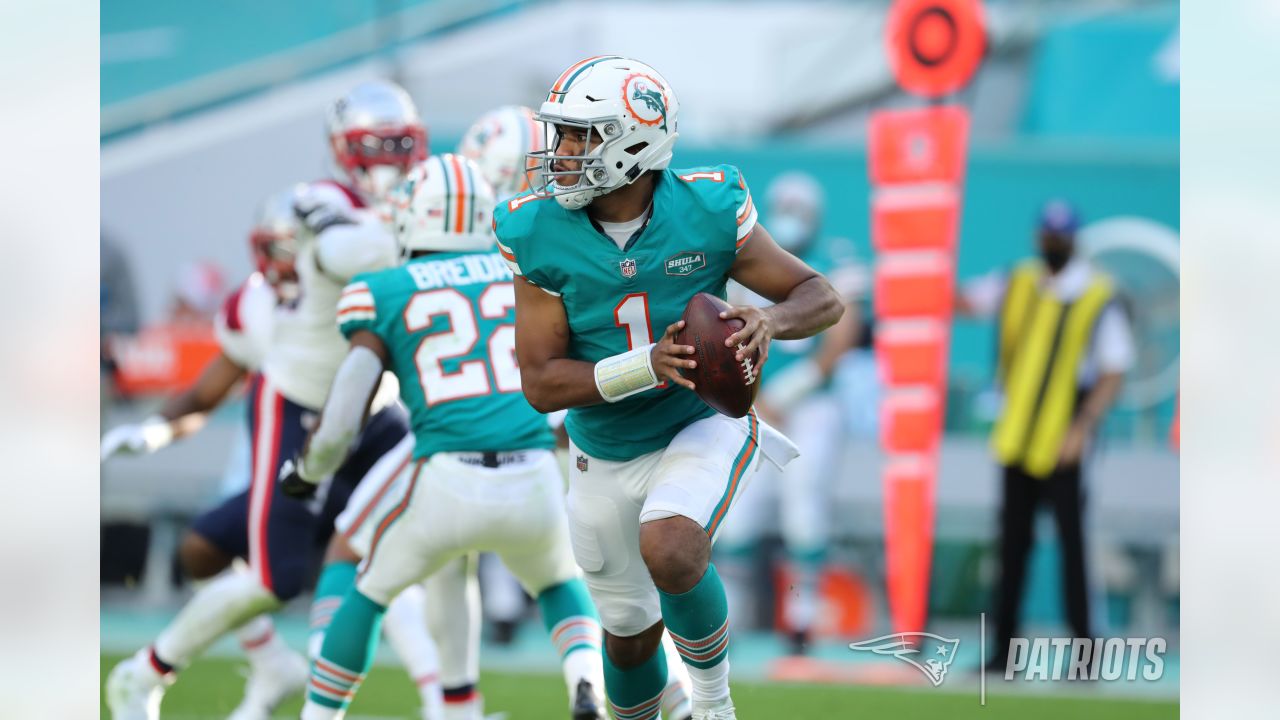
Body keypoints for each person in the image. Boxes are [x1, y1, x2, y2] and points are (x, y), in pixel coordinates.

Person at [496, 57, 844, 720]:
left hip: (699, 421)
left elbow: (819, 295)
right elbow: (541, 383)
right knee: (627, 639)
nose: (561, 153)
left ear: (632, 142)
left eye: (579, 136)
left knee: (672, 545)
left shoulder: (708, 209)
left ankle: (714, 707)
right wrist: (646, 366)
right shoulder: (535, 230)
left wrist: (769, 317)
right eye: (561, 135)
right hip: (602, 448)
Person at [105, 80, 426, 720]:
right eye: (277, 253)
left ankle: (449, 701)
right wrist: (154, 432)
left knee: (418, 546)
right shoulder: (312, 222)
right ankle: (150, 673)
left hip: (376, 410)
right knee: (259, 571)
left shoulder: (401, 208)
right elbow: (209, 387)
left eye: (397, 145)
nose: (284, 267)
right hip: (303, 416)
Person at [284, 154, 607, 720]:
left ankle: (320, 713)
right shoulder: (528, 274)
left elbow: (342, 417)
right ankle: (584, 680)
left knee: (368, 586)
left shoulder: (383, 290)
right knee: (557, 580)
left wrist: (309, 469)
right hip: (532, 470)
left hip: (446, 476)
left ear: (412, 215)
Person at [956, 199, 1135, 671]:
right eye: (1047, 236)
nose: (1052, 245)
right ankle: (1003, 654)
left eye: (1060, 237)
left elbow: (1114, 369)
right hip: (1017, 435)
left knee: (1074, 548)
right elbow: (965, 300)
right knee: (1012, 548)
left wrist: (1082, 428)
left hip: (1064, 438)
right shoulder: (1019, 280)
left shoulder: (1097, 294)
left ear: (1074, 240)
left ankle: (1085, 656)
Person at [714, 172, 864, 655]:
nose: (791, 218)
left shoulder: (835, 264)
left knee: (805, 511)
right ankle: (728, 622)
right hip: (758, 403)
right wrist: (754, 392)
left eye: (800, 210)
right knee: (739, 515)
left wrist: (794, 387)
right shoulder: (748, 265)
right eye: (786, 207)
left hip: (812, 404)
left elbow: (844, 334)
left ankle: (802, 623)